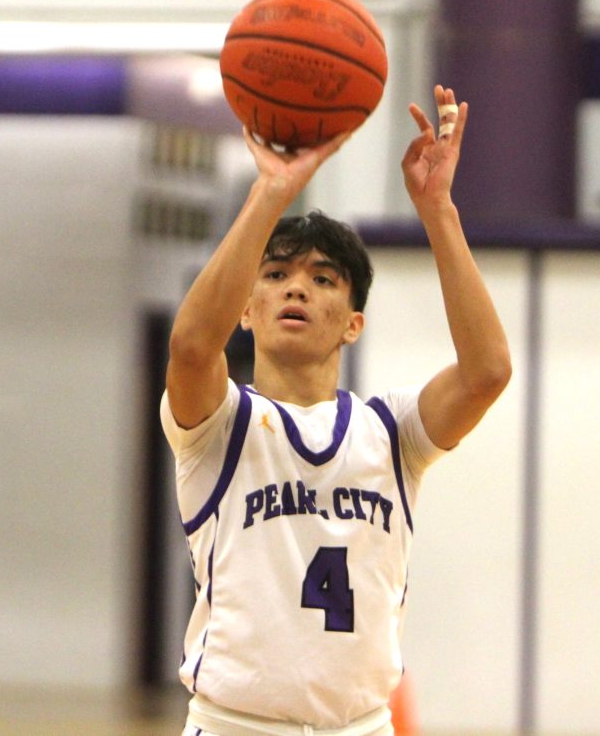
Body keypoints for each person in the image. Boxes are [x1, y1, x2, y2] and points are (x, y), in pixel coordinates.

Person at [161, 85, 511, 736]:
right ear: (247, 308)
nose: (297, 285)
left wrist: (438, 210)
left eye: (323, 278)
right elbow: (188, 346)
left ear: (353, 324)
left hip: (362, 726)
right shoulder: (220, 426)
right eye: (276, 275)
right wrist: (272, 191)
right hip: (237, 725)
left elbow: (487, 372)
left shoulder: (391, 433)